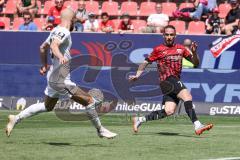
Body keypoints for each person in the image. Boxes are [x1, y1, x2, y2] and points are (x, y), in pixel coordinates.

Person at [6, 8, 117, 139]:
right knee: (90, 102)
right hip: (60, 79)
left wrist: (44, 65)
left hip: (53, 76)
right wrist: (60, 56)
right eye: (74, 19)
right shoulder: (64, 31)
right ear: (71, 19)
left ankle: (16, 118)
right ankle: (100, 130)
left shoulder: (54, 30)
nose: (75, 21)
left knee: (47, 106)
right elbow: (54, 45)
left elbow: (42, 48)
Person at [129, 25, 213, 136]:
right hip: (167, 79)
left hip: (174, 80)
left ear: (175, 35)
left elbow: (196, 63)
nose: (169, 37)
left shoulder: (181, 49)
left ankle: (140, 119)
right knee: (187, 96)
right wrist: (137, 75)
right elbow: (145, 62)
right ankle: (197, 125)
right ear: (163, 35)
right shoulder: (158, 49)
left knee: (169, 111)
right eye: (167, 34)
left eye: (171, 35)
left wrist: (195, 52)